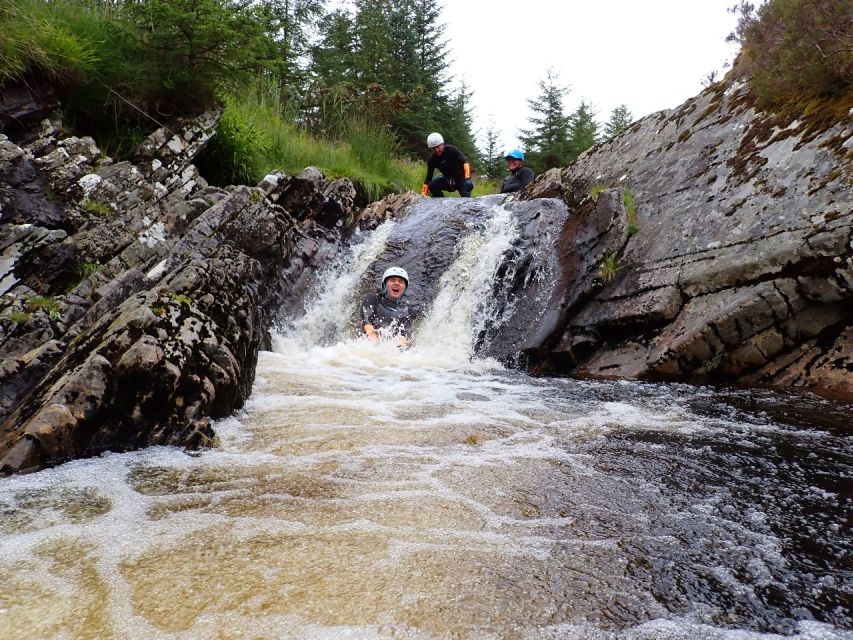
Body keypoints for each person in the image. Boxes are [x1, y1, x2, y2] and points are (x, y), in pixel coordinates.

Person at [361, 266, 412, 347]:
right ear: (384, 285)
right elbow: (367, 321)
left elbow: (405, 334)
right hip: (369, 343)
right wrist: (373, 338)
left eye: (401, 282)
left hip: (391, 348)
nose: (396, 283)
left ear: (405, 288)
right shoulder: (373, 299)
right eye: (392, 280)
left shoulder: (405, 310)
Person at [421, 132, 474, 198]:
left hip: (462, 179)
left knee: (466, 199)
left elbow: (465, 162)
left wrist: (468, 179)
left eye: (438, 147)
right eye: (434, 148)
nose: (437, 150)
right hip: (448, 181)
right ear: (431, 149)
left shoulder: (451, 150)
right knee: (432, 185)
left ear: (442, 144)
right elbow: (428, 178)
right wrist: (423, 194)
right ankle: (439, 202)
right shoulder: (432, 160)